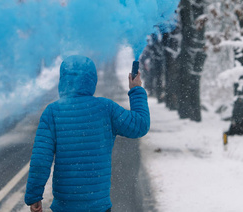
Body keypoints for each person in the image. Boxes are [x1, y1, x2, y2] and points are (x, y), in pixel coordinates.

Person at [25, 55, 150, 212]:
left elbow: (40, 160)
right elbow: (140, 125)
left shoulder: (53, 112)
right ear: (92, 80)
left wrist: (34, 196)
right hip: (99, 206)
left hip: (65, 206)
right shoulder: (106, 108)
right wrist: (136, 90)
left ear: (63, 80)